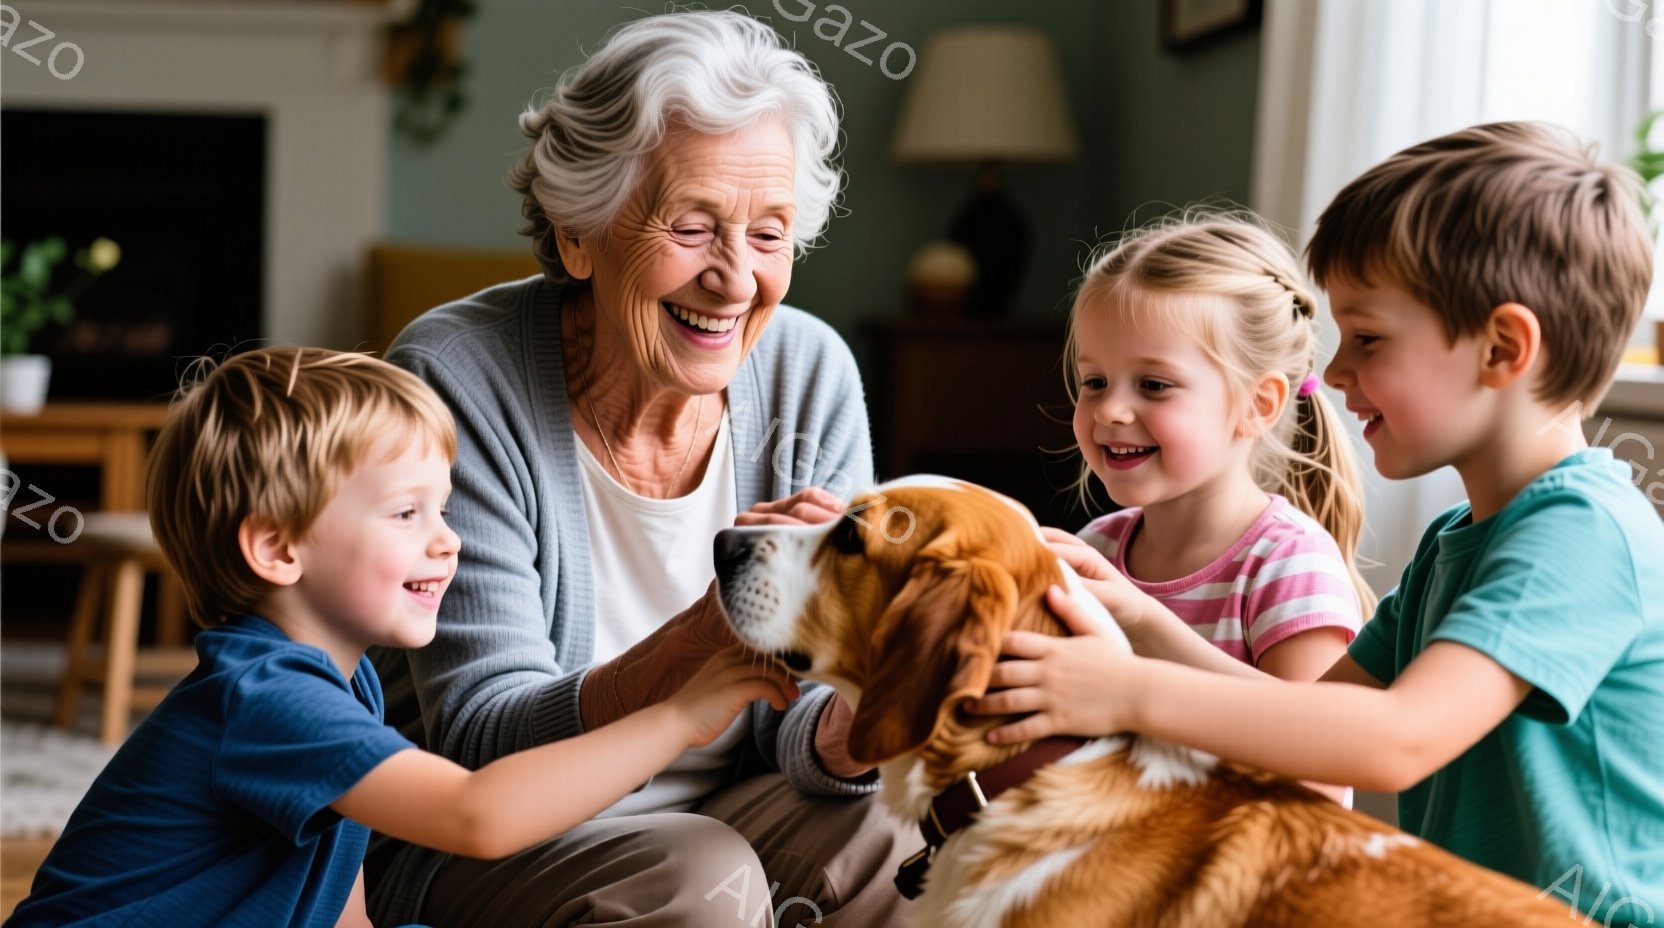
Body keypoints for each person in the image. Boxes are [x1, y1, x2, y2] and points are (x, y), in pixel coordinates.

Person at [970, 122, 1664, 924]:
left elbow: (1391, 742)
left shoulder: (1579, 533)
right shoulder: (1457, 540)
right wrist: (1139, 619)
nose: (1332, 375)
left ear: (1503, 348)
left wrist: (1125, 691)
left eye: (1367, 338)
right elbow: (1304, 716)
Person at [363, 10, 913, 927]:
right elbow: (478, 737)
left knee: (897, 836)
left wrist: (860, 723)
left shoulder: (809, 373)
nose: (736, 279)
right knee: (700, 876)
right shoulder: (459, 378)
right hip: (487, 840)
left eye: (770, 234)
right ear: (579, 232)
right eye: (694, 227)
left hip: (730, 815)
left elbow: (800, 728)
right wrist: (704, 636)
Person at [6, 347, 795, 928]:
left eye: (443, 510)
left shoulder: (346, 685)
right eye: (407, 513)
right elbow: (478, 815)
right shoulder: (263, 696)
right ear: (278, 548)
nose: (447, 540)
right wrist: (678, 718)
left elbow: (339, 907)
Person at [1046, 213, 1373, 694]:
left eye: (1153, 385)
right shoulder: (1096, 550)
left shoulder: (1288, 563)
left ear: (1258, 405)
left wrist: (1143, 623)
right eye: (1094, 381)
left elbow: (1318, 760)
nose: (1110, 410)